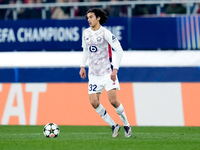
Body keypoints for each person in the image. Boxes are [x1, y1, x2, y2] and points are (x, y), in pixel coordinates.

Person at [79, 7, 132, 138]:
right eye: (87, 18)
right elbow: (85, 50)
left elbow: (119, 50)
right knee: (93, 102)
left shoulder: (105, 33)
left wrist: (115, 69)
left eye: (91, 17)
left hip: (108, 72)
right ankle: (114, 125)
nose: (88, 20)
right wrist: (82, 66)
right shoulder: (85, 33)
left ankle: (126, 125)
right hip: (93, 75)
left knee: (113, 100)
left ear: (98, 18)